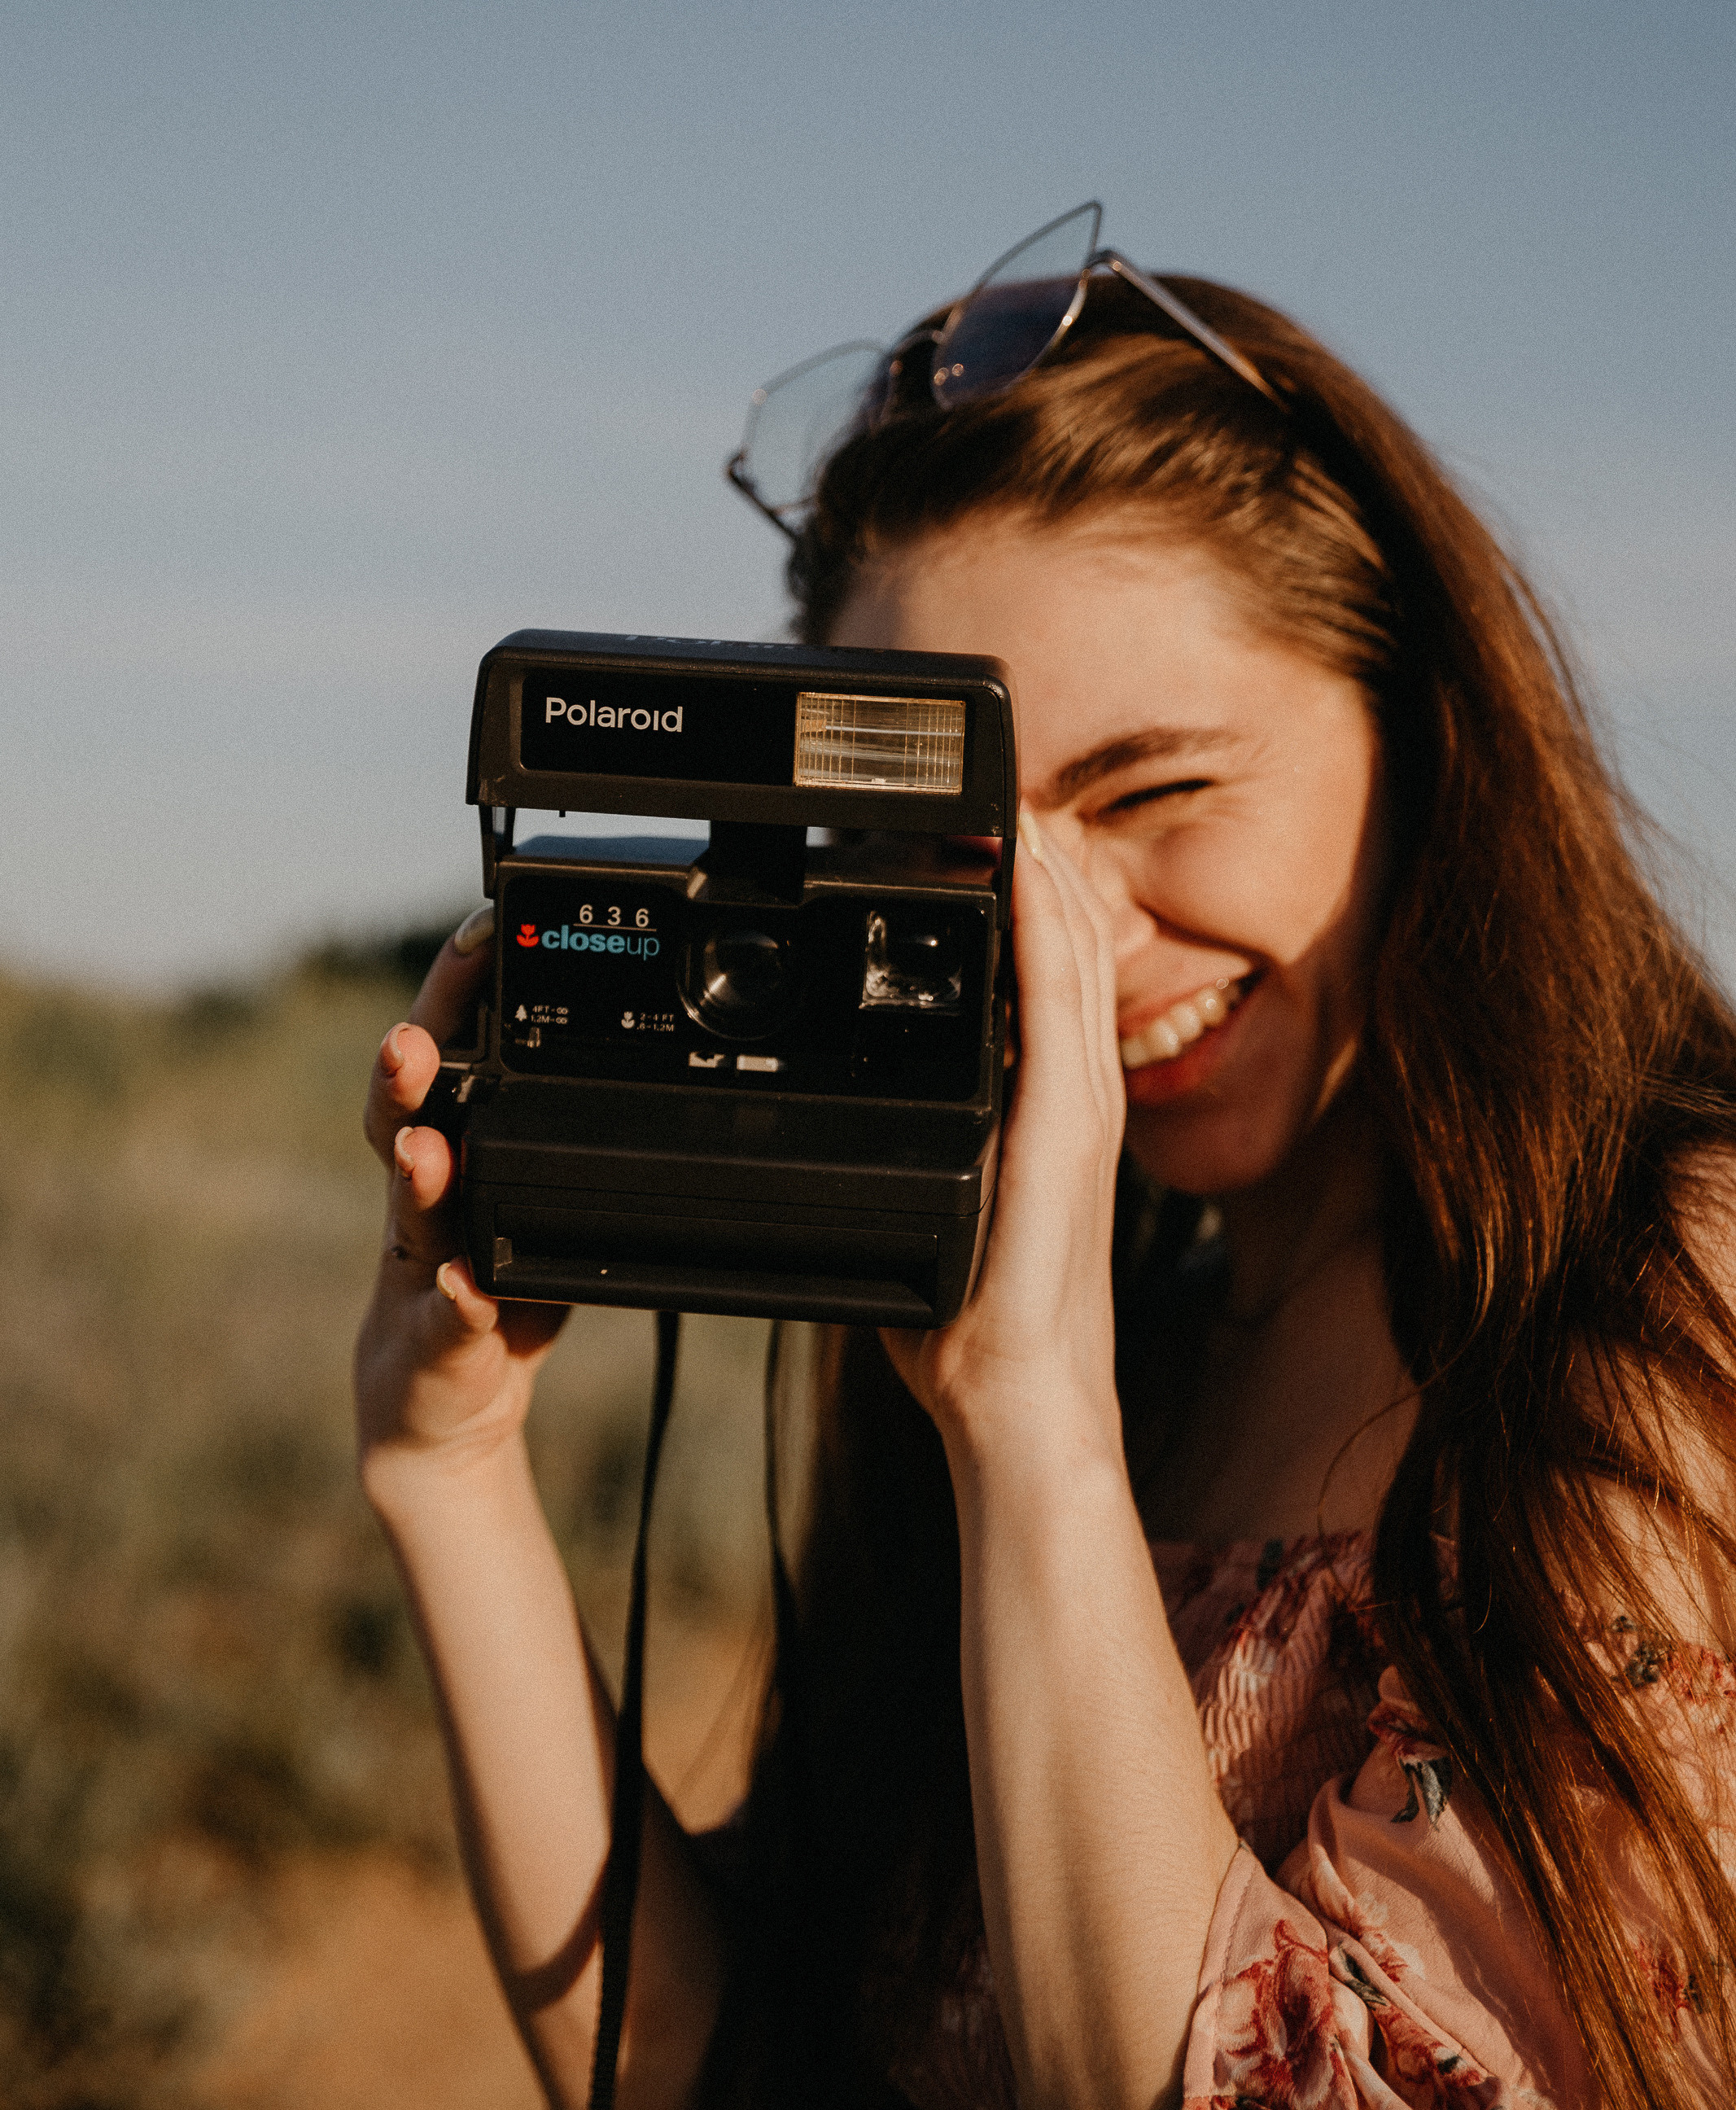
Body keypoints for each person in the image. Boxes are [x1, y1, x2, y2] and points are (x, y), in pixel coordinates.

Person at [356, 213, 1736, 2108]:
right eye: (945, 848)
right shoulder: (1098, 1341)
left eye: (1154, 789)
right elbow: (714, 2058)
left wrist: (1029, 1430)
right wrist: (451, 1478)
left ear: (1421, 738)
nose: (1057, 944)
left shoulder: (1662, 1293)